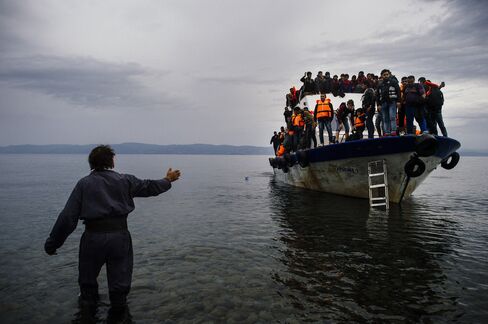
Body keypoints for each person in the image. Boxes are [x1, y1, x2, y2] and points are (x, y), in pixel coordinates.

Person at [44, 145, 181, 318]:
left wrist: (52, 243)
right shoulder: (125, 180)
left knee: (87, 286)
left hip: (92, 238)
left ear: (91, 163)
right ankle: (119, 314)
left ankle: (87, 315)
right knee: (119, 289)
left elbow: (68, 217)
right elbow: (150, 187)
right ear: (112, 161)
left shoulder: (84, 184)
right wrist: (167, 180)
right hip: (120, 237)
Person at [376, 69, 400, 136]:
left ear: (389, 75)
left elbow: (398, 92)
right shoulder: (380, 85)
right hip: (383, 103)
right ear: (382, 76)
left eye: (387, 74)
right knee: (385, 118)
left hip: (392, 102)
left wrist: (398, 101)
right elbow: (377, 96)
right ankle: (387, 132)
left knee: (392, 117)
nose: (386, 76)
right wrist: (378, 105)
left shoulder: (394, 82)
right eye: (384, 75)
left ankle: (393, 131)